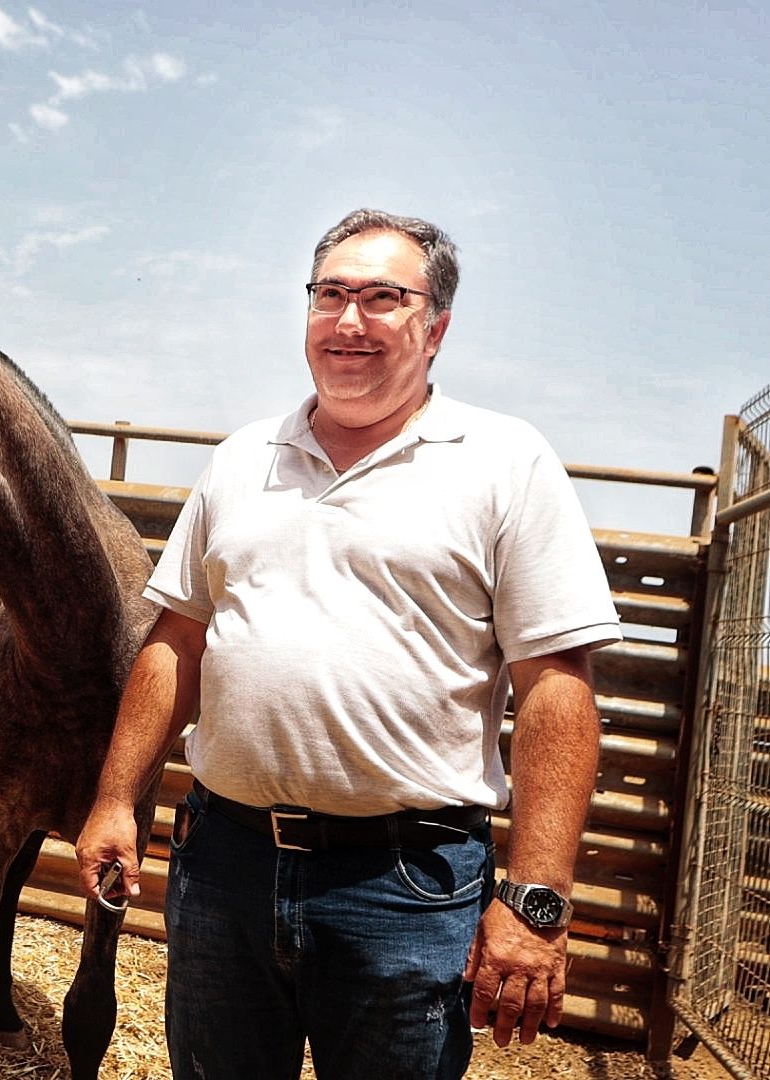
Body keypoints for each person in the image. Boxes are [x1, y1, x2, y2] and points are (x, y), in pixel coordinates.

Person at [75, 208, 620, 1079]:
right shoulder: (243, 458)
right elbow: (177, 639)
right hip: (224, 863)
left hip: (405, 884)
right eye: (330, 295)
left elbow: (556, 684)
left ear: (435, 327)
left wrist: (536, 899)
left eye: (382, 298)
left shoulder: (504, 462)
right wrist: (113, 799)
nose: (350, 321)